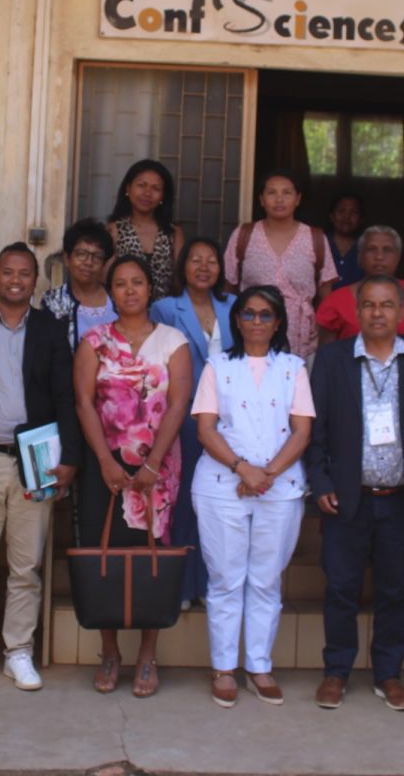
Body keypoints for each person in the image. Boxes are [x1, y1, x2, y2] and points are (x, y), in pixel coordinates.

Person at [306, 274, 404, 711]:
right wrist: (321, 483)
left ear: (401, 312)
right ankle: (336, 671)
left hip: (401, 500)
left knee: (394, 590)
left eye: (386, 305)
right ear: (357, 311)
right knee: (340, 589)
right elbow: (314, 428)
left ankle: (388, 674)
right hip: (346, 499)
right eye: (368, 305)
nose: (377, 313)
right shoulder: (332, 359)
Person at [0, 243, 80, 693]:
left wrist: (69, 458)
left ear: (34, 281)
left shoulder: (50, 329)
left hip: (37, 460)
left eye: (25, 273)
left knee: (26, 565)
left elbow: (66, 396)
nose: (16, 280)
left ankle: (18, 652)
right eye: (8, 271)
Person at [74, 254, 192, 698]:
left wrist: (154, 463)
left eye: (137, 282)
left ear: (149, 288)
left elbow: (178, 404)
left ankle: (147, 654)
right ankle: (109, 652)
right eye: (120, 283)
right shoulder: (94, 341)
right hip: (104, 467)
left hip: (158, 468)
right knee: (103, 554)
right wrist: (106, 461)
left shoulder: (173, 341)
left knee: (150, 558)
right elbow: (84, 403)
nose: (129, 290)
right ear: (111, 291)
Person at [191, 286, 312, 708]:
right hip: (222, 485)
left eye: (265, 315)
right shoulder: (217, 366)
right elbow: (205, 429)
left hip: (279, 488)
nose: (257, 321)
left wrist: (266, 475)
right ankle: (224, 667)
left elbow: (301, 431)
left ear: (278, 323)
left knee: (265, 580)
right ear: (237, 320)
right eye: (249, 314)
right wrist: (243, 469)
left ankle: (259, 666)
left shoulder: (293, 368)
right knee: (226, 579)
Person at [149, 237, 235, 605]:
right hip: (183, 416)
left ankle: (210, 584)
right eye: (195, 260)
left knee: (220, 505)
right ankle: (183, 587)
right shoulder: (165, 308)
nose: (203, 267)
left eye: (211, 260)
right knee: (184, 500)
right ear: (182, 267)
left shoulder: (234, 306)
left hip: (229, 420)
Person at [224, 169, 338, 358]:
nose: (279, 199)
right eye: (272, 193)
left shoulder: (314, 238)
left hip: (302, 338)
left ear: (298, 199)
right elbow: (229, 289)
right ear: (261, 199)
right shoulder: (244, 235)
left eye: (287, 193)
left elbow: (325, 295)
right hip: (253, 332)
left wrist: (317, 328)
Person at [315, 225, 404, 373]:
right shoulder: (336, 300)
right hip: (353, 383)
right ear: (360, 256)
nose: (379, 257)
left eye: (387, 250)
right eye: (371, 249)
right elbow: (326, 359)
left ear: (399, 256)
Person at [105, 159, 185, 302]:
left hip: (164, 312)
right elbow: (105, 280)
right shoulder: (114, 230)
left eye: (156, 188)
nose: (147, 193)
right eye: (141, 185)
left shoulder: (173, 232)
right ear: (128, 188)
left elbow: (181, 281)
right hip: (123, 310)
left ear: (163, 195)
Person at [41, 218, 117, 348]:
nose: (88, 262)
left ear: (104, 263)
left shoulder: (117, 299)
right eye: (81, 254)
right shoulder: (53, 301)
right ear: (67, 258)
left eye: (97, 256)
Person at [325, 192, 366, 288]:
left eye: (354, 212)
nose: (346, 216)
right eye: (341, 210)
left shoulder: (366, 247)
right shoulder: (319, 244)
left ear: (361, 219)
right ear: (331, 216)